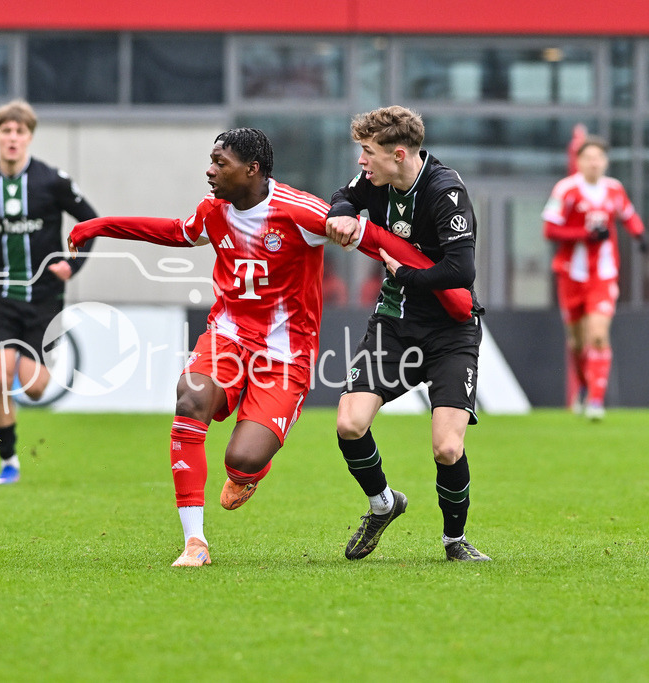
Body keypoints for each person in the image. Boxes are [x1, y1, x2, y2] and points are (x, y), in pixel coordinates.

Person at [68, 127, 474, 567]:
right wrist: (101, 225)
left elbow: (375, 239)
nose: (210, 170)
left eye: (220, 162)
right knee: (190, 397)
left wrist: (452, 294)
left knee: (241, 460)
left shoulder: (300, 212)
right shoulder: (213, 211)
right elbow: (173, 232)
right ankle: (194, 542)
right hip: (226, 336)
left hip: (284, 357)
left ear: (252, 169)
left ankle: (249, 473)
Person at [325, 105, 490, 562]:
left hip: (451, 332)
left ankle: (454, 542)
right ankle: (382, 503)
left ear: (398, 154)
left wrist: (408, 275)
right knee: (349, 423)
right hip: (394, 325)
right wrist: (341, 212)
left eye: (367, 152)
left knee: (447, 447)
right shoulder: (375, 181)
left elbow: (462, 269)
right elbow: (345, 194)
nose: (361, 161)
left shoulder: (445, 191)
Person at [0, 99, 99, 485]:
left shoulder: (52, 181)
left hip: (44, 298)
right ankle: (8, 460)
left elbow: (91, 223)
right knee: (1, 378)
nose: (12, 139)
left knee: (34, 388)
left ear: (29, 137)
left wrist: (73, 263)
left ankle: (15, 431)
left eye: (20, 132)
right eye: (6, 132)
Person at [543, 130, 647, 420]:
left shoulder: (614, 189)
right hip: (571, 275)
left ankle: (596, 402)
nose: (594, 163)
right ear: (579, 161)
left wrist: (641, 236)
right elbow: (550, 230)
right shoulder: (565, 190)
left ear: (606, 162)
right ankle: (585, 389)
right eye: (588, 158)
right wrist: (584, 235)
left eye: (599, 158)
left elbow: (628, 215)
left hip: (603, 275)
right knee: (577, 342)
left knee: (598, 335)